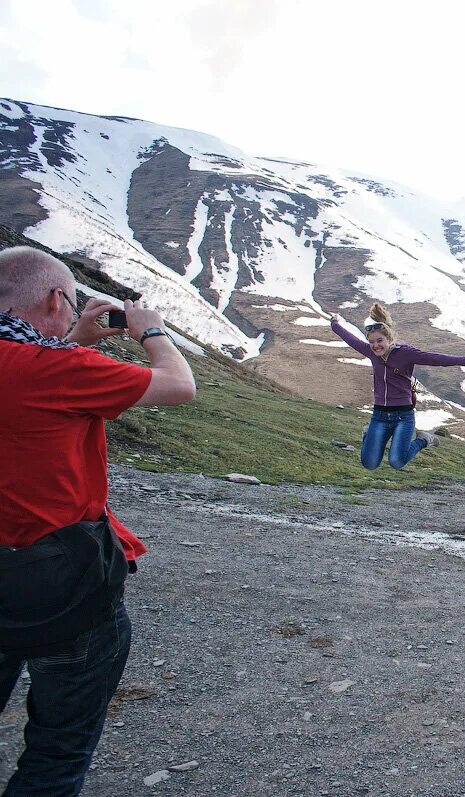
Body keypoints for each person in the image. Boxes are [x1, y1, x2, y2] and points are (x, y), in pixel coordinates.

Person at [0, 245, 196, 796]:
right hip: (63, 584)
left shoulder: (49, 363)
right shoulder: (60, 371)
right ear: (56, 297)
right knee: (57, 753)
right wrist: (152, 332)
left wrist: (74, 339)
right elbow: (179, 386)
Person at [330, 303, 465, 470]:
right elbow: (350, 339)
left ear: (389, 338)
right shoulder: (371, 352)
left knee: (397, 462)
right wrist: (334, 324)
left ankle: (424, 440)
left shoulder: (406, 353)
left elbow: (434, 359)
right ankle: (368, 434)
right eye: (372, 342)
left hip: (403, 416)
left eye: (380, 341)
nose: (376, 345)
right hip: (379, 415)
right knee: (369, 464)